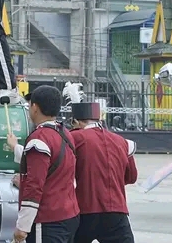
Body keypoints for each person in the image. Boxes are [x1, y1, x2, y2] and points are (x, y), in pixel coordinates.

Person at [62, 82, 137, 243]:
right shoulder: (121, 141)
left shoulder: (75, 137)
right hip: (117, 210)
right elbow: (131, 177)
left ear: (77, 122)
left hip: (85, 209)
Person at [14, 85, 80, 243]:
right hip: (70, 215)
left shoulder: (39, 138)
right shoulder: (66, 134)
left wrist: (23, 225)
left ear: (35, 107)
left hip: (48, 220)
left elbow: (34, 185)